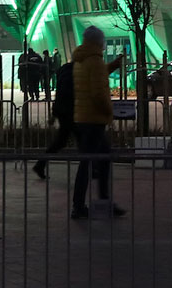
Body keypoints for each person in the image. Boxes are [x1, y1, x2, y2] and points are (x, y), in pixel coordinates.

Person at [69, 26, 126, 219]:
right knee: (94, 160)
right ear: (98, 41)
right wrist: (109, 111)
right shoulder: (95, 61)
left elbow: (94, 77)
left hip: (82, 118)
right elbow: (98, 92)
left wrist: (111, 66)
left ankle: (94, 202)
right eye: (102, 40)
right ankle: (88, 204)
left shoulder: (81, 59)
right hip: (94, 119)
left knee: (95, 159)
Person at [31, 43, 75, 181]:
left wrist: (54, 113)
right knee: (84, 141)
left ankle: (40, 165)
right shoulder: (73, 73)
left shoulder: (64, 71)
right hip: (71, 112)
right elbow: (65, 94)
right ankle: (94, 168)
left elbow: (59, 95)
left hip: (65, 112)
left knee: (61, 141)